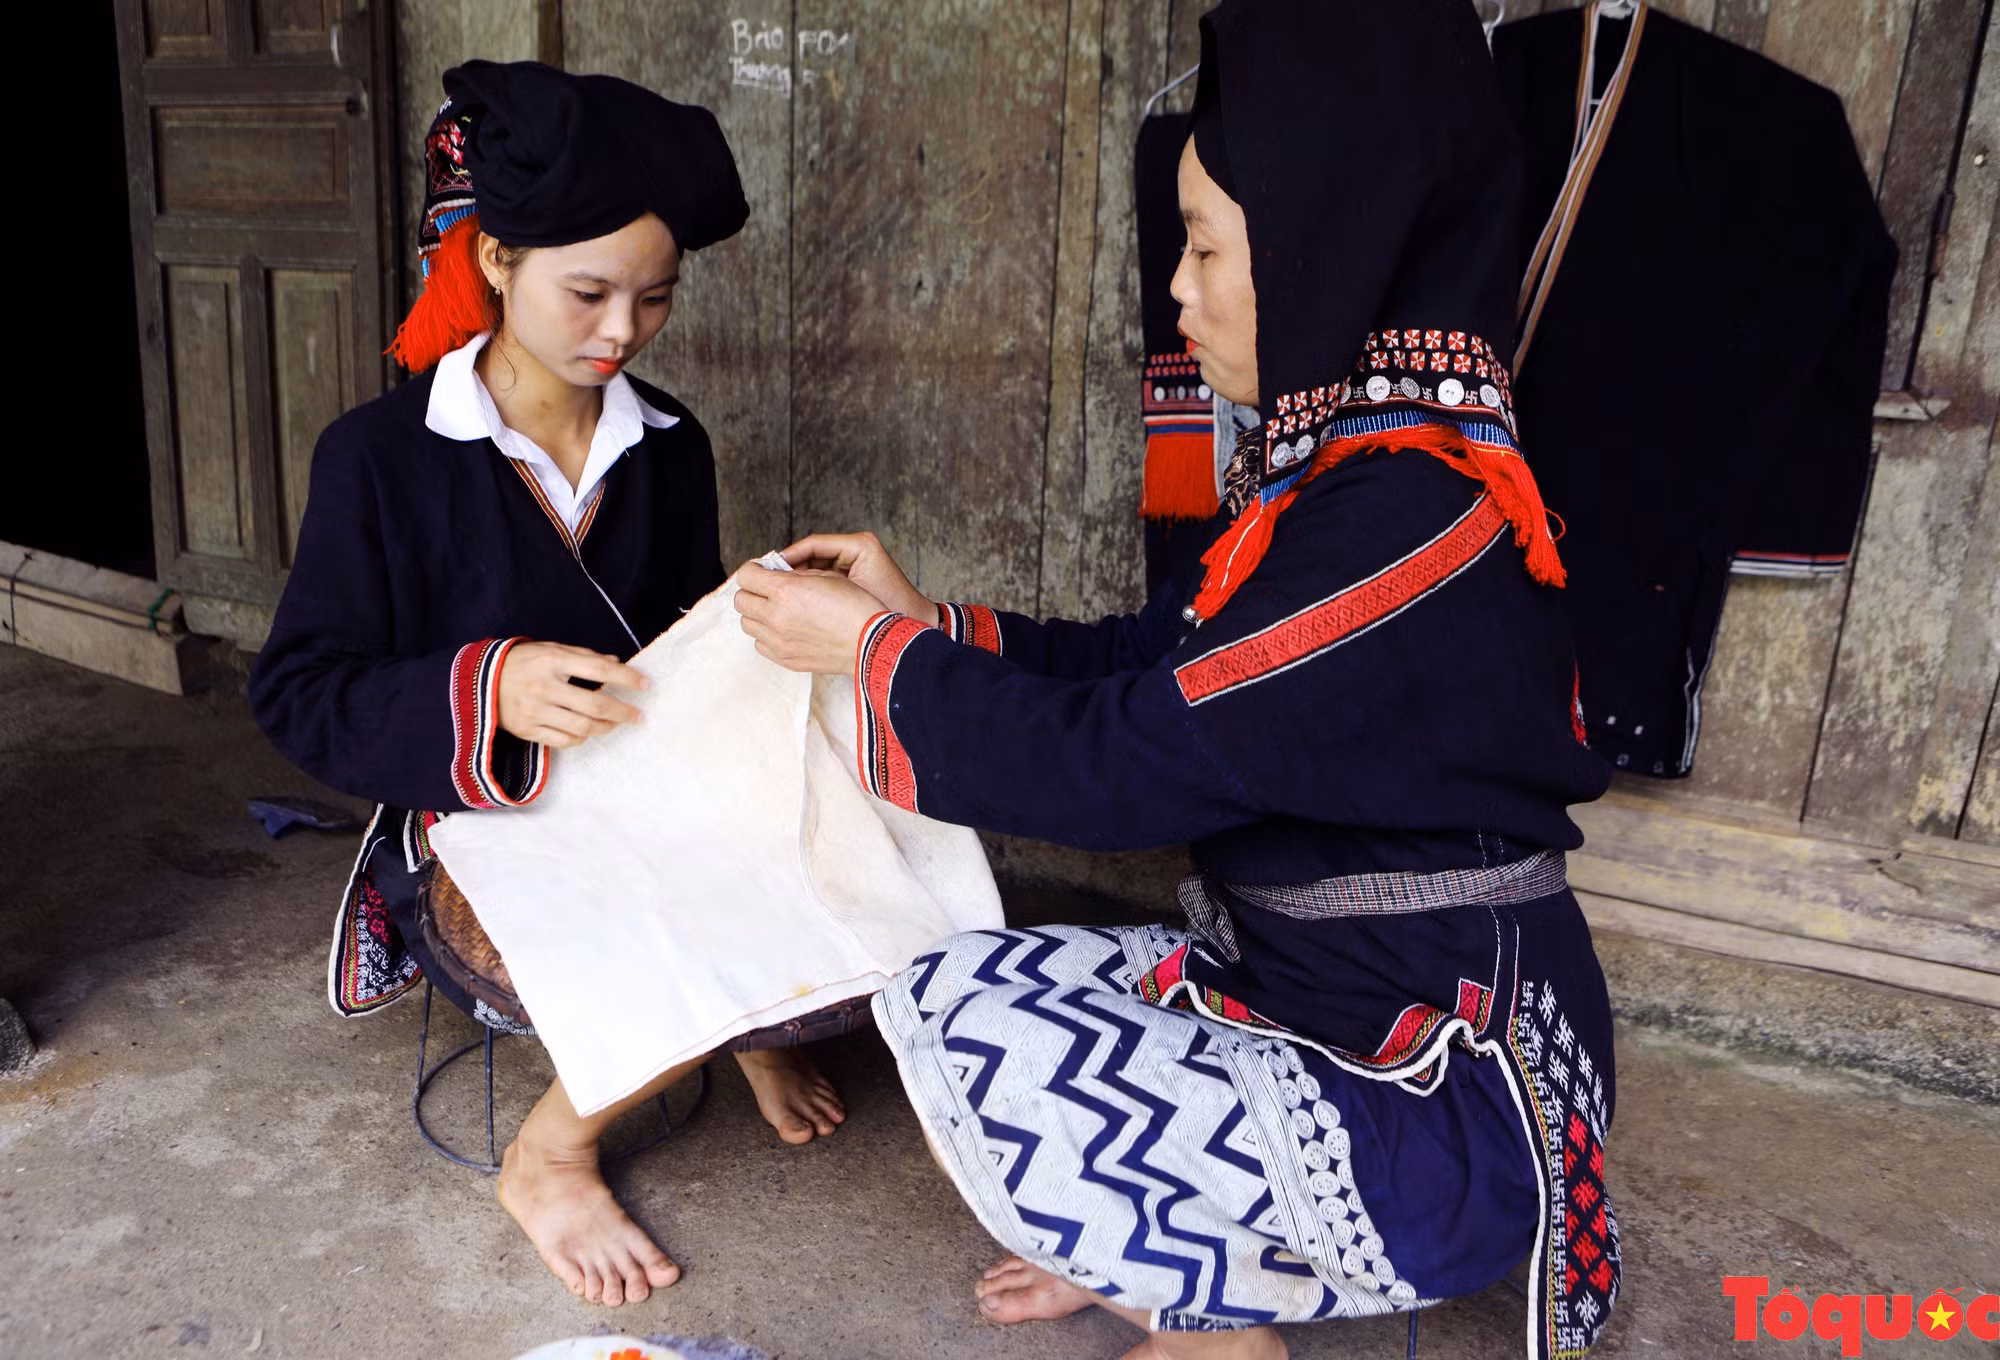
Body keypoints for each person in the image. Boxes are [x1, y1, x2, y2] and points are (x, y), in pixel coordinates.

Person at [733, 2, 1621, 1357]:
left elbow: (1124, 757)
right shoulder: (1342, 483)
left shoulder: (1413, 530)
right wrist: (930, 623)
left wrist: (866, 653)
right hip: (1313, 980)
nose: (1181, 293)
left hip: (1441, 1079)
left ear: (1337, 251)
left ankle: (1220, 1315)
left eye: (1207, 248)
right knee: (973, 990)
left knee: (1002, 1044)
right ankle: (1181, 1254)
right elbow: (1161, 659)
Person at [250, 61, 846, 1309]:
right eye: (587, 293)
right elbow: (299, 693)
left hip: (649, 780)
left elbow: (685, 646)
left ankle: (727, 1030)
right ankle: (550, 1150)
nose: (620, 332)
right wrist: (492, 688)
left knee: (859, 823)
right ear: (495, 260)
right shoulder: (381, 458)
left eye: (655, 299)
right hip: (478, 816)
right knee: (702, 901)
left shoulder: (671, 446)